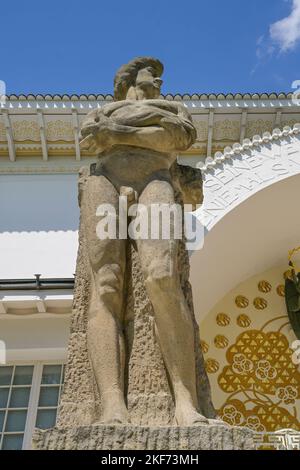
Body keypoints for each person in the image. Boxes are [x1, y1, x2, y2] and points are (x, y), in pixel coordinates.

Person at [79, 57, 210, 426]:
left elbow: (176, 137)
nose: (159, 82)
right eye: (153, 75)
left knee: (162, 276)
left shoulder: (171, 109)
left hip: (155, 179)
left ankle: (186, 403)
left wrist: (119, 131)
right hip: (103, 183)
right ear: (130, 79)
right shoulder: (101, 111)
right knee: (105, 285)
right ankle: (111, 405)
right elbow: (91, 140)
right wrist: (145, 130)